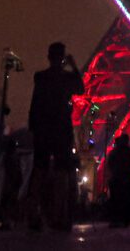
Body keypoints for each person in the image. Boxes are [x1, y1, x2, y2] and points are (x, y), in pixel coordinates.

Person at [25, 41, 82, 231]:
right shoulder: (66, 78)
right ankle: (59, 217)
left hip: (43, 129)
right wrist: (73, 67)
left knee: (39, 172)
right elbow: (80, 89)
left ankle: (33, 215)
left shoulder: (40, 77)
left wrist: (32, 127)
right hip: (61, 129)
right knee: (61, 174)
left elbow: (35, 103)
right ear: (62, 58)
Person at [104, 134, 130, 227]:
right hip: (126, 178)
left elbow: (110, 164)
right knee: (125, 199)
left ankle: (115, 219)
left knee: (115, 199)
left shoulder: (114, 152)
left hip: (116, 178)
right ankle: (125, 220)